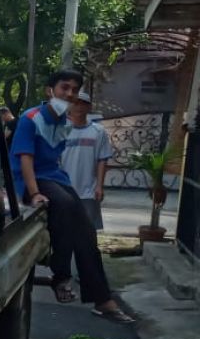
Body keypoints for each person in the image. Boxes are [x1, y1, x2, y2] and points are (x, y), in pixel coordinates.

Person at [9, 71, 131, 323]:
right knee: (63, 206)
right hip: (30, 178)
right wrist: (34, 194)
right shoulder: (30, 118)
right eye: (65, 88)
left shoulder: (65, 121)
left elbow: (56, 159)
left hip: (55, 177)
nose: (70, 94)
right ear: (49, 91)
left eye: (74, 89)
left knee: (86, 229)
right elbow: (25, 159)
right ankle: (61, 276)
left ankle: (102, 299)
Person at [60, 91, 112, 230]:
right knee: (65, 228)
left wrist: (99, 185)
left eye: (84, 104)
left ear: (89, 107)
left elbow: (103, 159)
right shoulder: (61, 130)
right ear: (69, 106)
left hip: (88, 190)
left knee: (88, 230)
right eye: (76, 103)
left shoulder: (98, 131)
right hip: (65, 189)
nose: (79, 107)